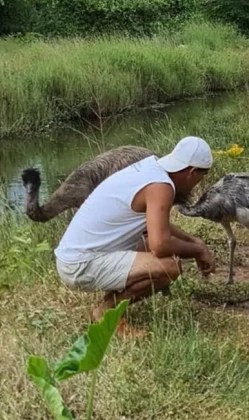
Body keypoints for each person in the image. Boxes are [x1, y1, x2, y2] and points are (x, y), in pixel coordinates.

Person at [54, 136, 216, 332]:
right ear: (191, 172)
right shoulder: (161, 187)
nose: (200, 182)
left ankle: (109, 305)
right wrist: (197, 251)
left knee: (152, 248)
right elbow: (161, 244)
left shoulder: (150, 169)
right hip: (80, 265)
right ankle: (107, 312)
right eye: (203, 175)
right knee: (169, 267)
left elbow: (158, 227)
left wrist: (195, 241)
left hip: (73, 257)